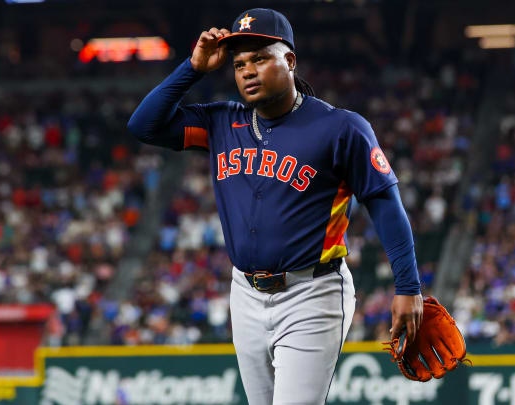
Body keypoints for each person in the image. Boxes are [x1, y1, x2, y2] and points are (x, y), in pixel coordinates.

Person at [127, 8, 423, 404]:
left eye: (261, 58)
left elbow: (385, 204)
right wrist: (192, 68)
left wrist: (408, 287)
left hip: (312, 293)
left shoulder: (340, 128)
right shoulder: (221, 123)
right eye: (239, 64)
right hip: (244, 293)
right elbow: (143, 125)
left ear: (290, 60)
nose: (248, 71)